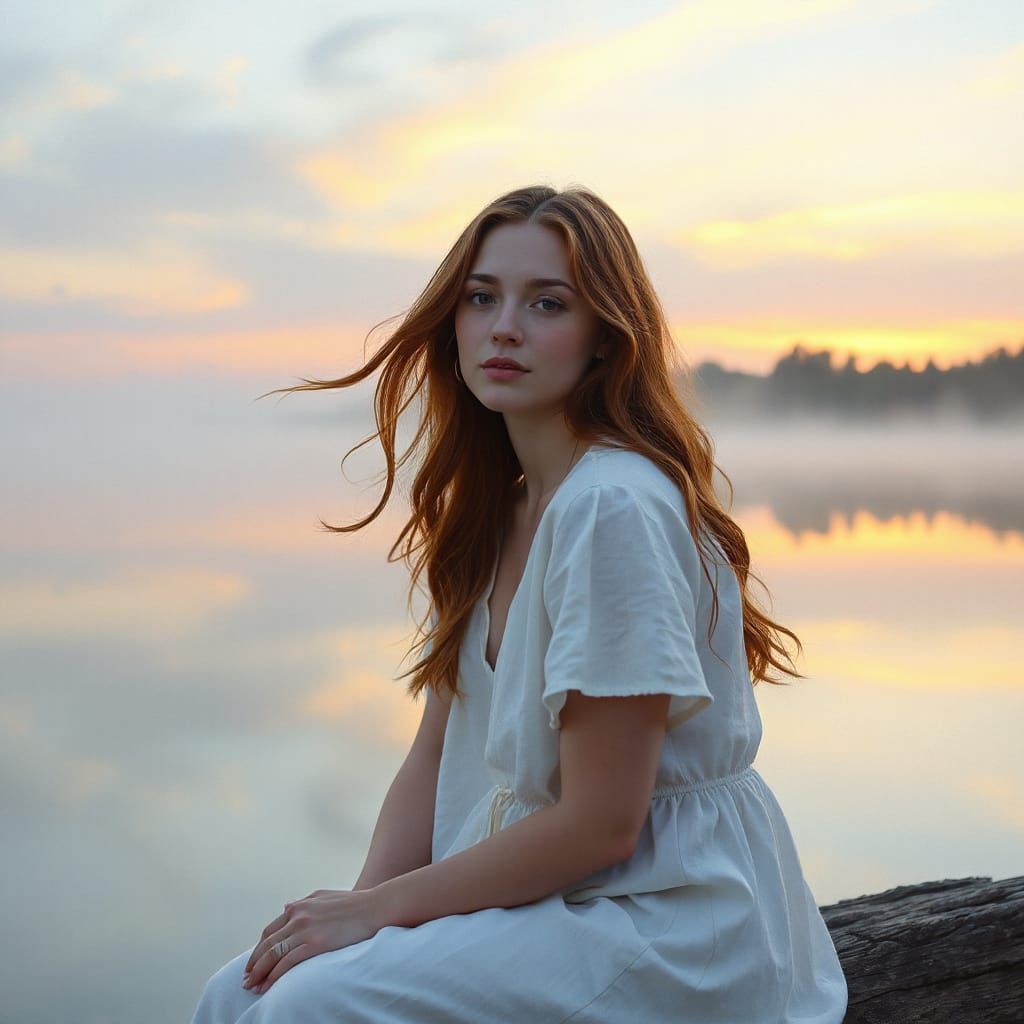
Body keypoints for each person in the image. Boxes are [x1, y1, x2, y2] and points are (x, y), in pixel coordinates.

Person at [190, 184, 849, 1022]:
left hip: (665, 919)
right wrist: (352, 917)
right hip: (556, 898)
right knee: (241, 991)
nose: (505, 326)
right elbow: (434, 755)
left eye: (547, 303)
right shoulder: (501, 511)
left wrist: (372, 919)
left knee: (303, 1014)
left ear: (605, 340)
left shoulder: (612, 507)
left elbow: (604, 826)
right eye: (481, 298)